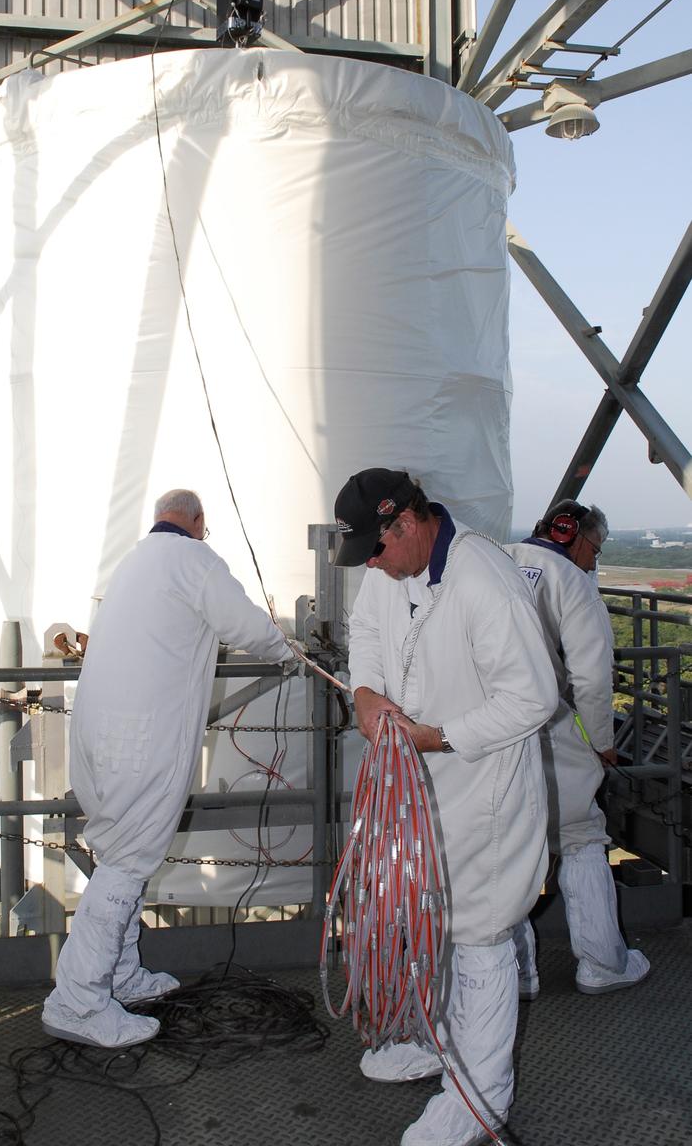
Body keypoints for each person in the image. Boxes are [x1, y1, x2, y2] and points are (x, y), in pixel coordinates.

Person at [333, 468, 558, 1146]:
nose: (370, 566)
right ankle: (437, 1043)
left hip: (483, 793)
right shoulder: (389, 572)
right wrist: (365, 694)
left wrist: (439, 737)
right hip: (422, 792)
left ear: (404, 523)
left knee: (481, 938)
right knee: (424, 918)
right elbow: (366, 631)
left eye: (375, 550)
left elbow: (534, 697)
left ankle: (480, 1103)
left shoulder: (483, 580)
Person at [42, 488, 293, 1048]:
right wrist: (285, 651)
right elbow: (247, 625)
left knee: (117, 855)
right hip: (139, 740)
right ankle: (78, 1001)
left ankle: (119, 975)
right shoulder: (195, 560)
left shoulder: (132, 562)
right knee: (129, 862)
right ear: (198, 521)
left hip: (95, 734)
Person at [507, 500, 650, 997]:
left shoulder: (496, 561)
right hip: (550, 730)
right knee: (582, 838)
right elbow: (590, 679)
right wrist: (604, 744)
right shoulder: (573, 583)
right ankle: (602, 963)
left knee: (509, 847)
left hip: (487, 737)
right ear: (572, 536)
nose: (595, 561)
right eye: (595, 549)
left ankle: (515, 974)